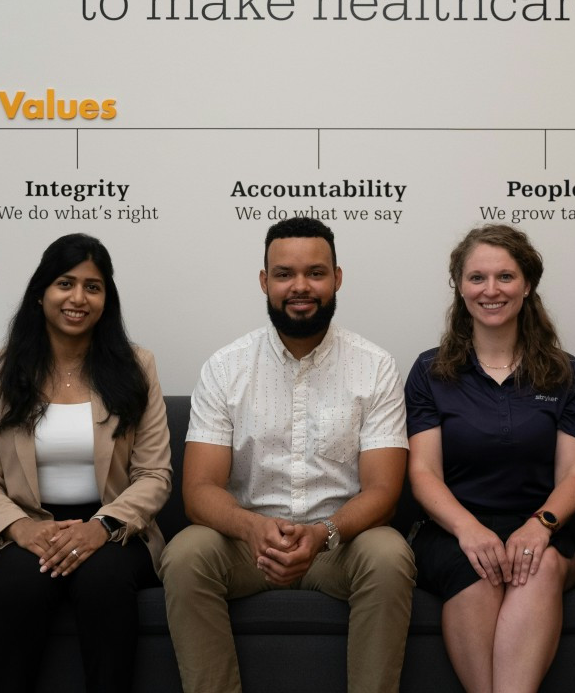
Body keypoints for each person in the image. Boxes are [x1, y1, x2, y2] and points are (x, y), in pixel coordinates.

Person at [160, 217, 415, 693]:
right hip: (245, 545)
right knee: (185, 554)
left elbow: (384, 491)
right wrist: (253, 529)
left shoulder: (375, 367)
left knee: (390, 555)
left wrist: (323, 534)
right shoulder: (225, 367)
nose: (301, 286)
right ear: (265, 281)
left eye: (316, 273)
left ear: (338, 278)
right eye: (284, 274)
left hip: (340, 544)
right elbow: (198, 492)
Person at [0, 233, 172, 693]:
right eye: (65, 283)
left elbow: (155, 475)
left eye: (93, 287)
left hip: (115, 526)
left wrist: (101, 526)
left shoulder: (137, 367)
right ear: (41, 293)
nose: (78, 298)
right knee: (21, 582)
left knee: (104, 577)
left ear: (106, 299)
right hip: (25, 525)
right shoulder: (0, 370)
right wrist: (22, 529)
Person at [404, 224, 575, 693]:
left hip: (540, 524)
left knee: (540, 565)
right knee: (480, 568)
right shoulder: (430, 370)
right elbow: (423, 472)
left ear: (527, 285)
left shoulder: (564, 371)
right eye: (477, 278)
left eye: (505, 277)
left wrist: (540, 525)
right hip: (453, 531)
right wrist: (468, 530)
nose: (491, 290)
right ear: (459, 286)